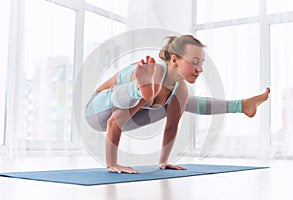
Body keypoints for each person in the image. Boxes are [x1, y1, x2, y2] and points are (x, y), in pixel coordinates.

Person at [85, 35, 270, 174]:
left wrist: (164, 161)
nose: (200, 69)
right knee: (154, 87)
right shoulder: (155, 72)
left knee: (184, 101)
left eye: (202, 63)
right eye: (195, 62)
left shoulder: (180, 88)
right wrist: (112, 164)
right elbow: (113, 122)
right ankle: (138, 89)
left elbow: (171, 127)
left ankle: (242, 106)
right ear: (174, 60)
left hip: (130, 116)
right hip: (97, 109)